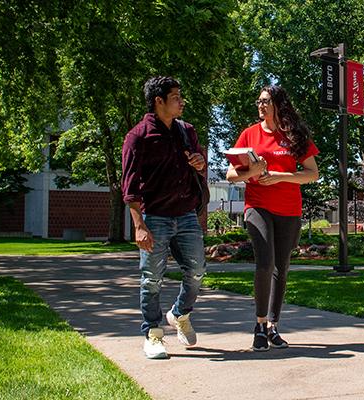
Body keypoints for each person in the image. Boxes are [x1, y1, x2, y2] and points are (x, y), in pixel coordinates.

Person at [227, 85, 320, 352]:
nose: (260, 105)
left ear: (278, 104)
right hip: (257, 205)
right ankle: (258, 324)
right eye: (258, 101)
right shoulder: (249, 134)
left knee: (281, 267)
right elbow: (231, 174)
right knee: (265, 262)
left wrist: (280, 176)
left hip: (289, 209)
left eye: (266, 101)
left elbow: (312, 173)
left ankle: (272, 326)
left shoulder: (294, 136)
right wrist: (252, 171)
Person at [121, 76, 209, 360]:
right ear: (158, 101)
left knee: (196, 272)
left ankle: (180, 314)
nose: (181, 101)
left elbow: (197, 167)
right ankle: (153, 334)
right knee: (151, 279)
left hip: (186, 215)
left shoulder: (186, 131)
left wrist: (199, 162)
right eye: (175, 96)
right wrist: (139, 226)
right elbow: (130, 188)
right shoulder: (138, 137)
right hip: (155, 216)